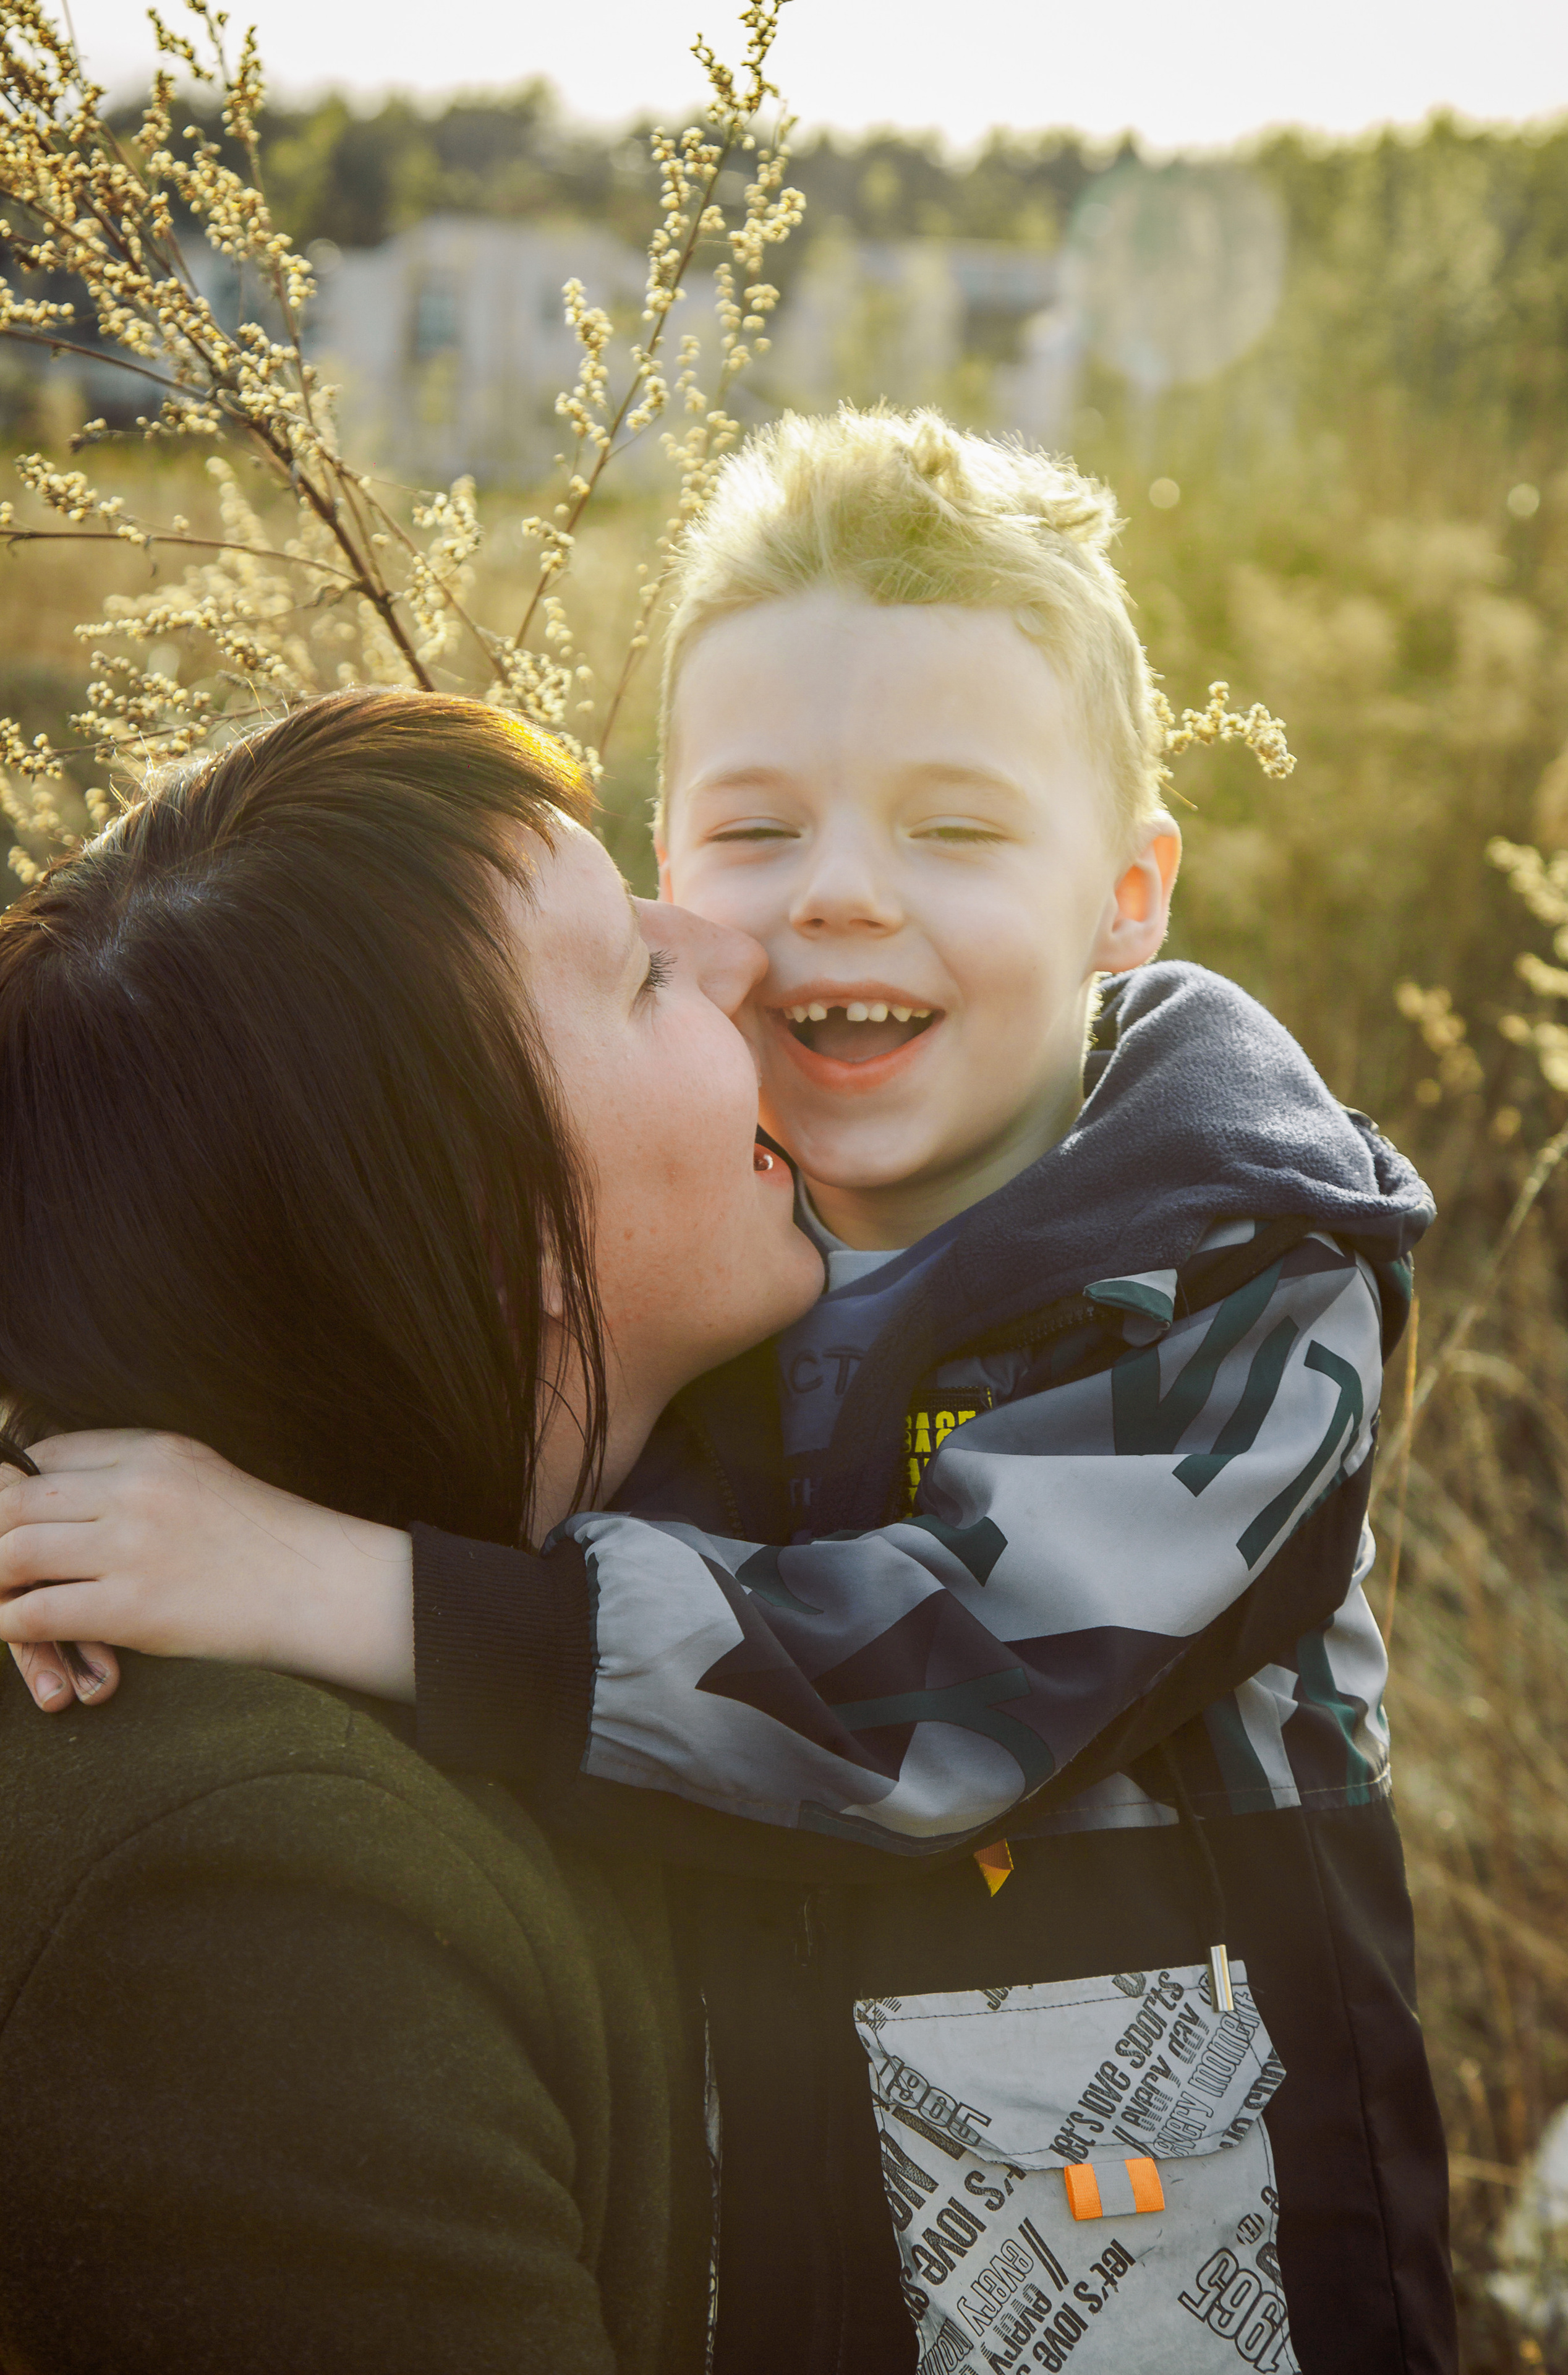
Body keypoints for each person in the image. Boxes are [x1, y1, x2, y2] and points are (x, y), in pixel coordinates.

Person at [1, 413, 1455, 2375]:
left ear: (1128, 896)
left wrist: (350, 1589)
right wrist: (72, 1478)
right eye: (750, 838)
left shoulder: (1232, 1277)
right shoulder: (748, 1266)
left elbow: (939, 1701)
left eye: (955, 830)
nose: (828, 900)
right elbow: (299, 1297)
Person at [0, 687, 826, 2373]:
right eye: (640, 975)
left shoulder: (746, 1487)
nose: (739, 955)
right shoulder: (247, 1897)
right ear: (500, 1225)